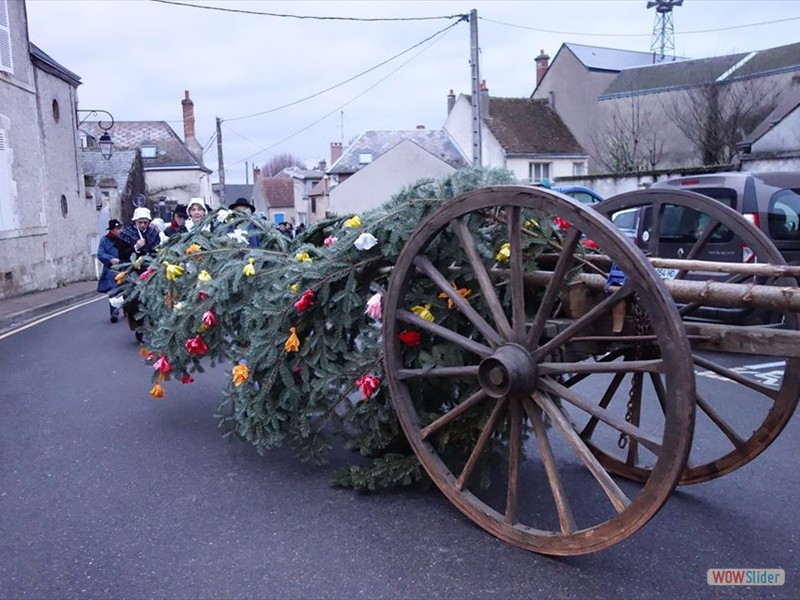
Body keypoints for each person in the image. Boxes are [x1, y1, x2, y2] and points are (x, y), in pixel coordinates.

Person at [119, 207, 161, 341]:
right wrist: (136, 247)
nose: (143, 225)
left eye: (145, 222)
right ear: (135, 222)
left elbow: (158, 251)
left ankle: (153, 325)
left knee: (154, 299)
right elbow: (122, 254)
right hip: (133, 273)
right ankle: (139, 327)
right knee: (134, 302)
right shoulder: (126, 234)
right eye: (140, 222)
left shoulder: (154, 233)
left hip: (151, 271)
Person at [96, 218, 126, 323]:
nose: (119, 231)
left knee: (126, 289)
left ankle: (127, 309)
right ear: (112, 230)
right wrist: (110, 259)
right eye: (117, 229)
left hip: (124, 267)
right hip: (111, 270)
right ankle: (114, 312)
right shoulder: (104, 240)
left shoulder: (124, 238)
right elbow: (100, 254)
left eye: (120, 228)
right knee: (113, 291)